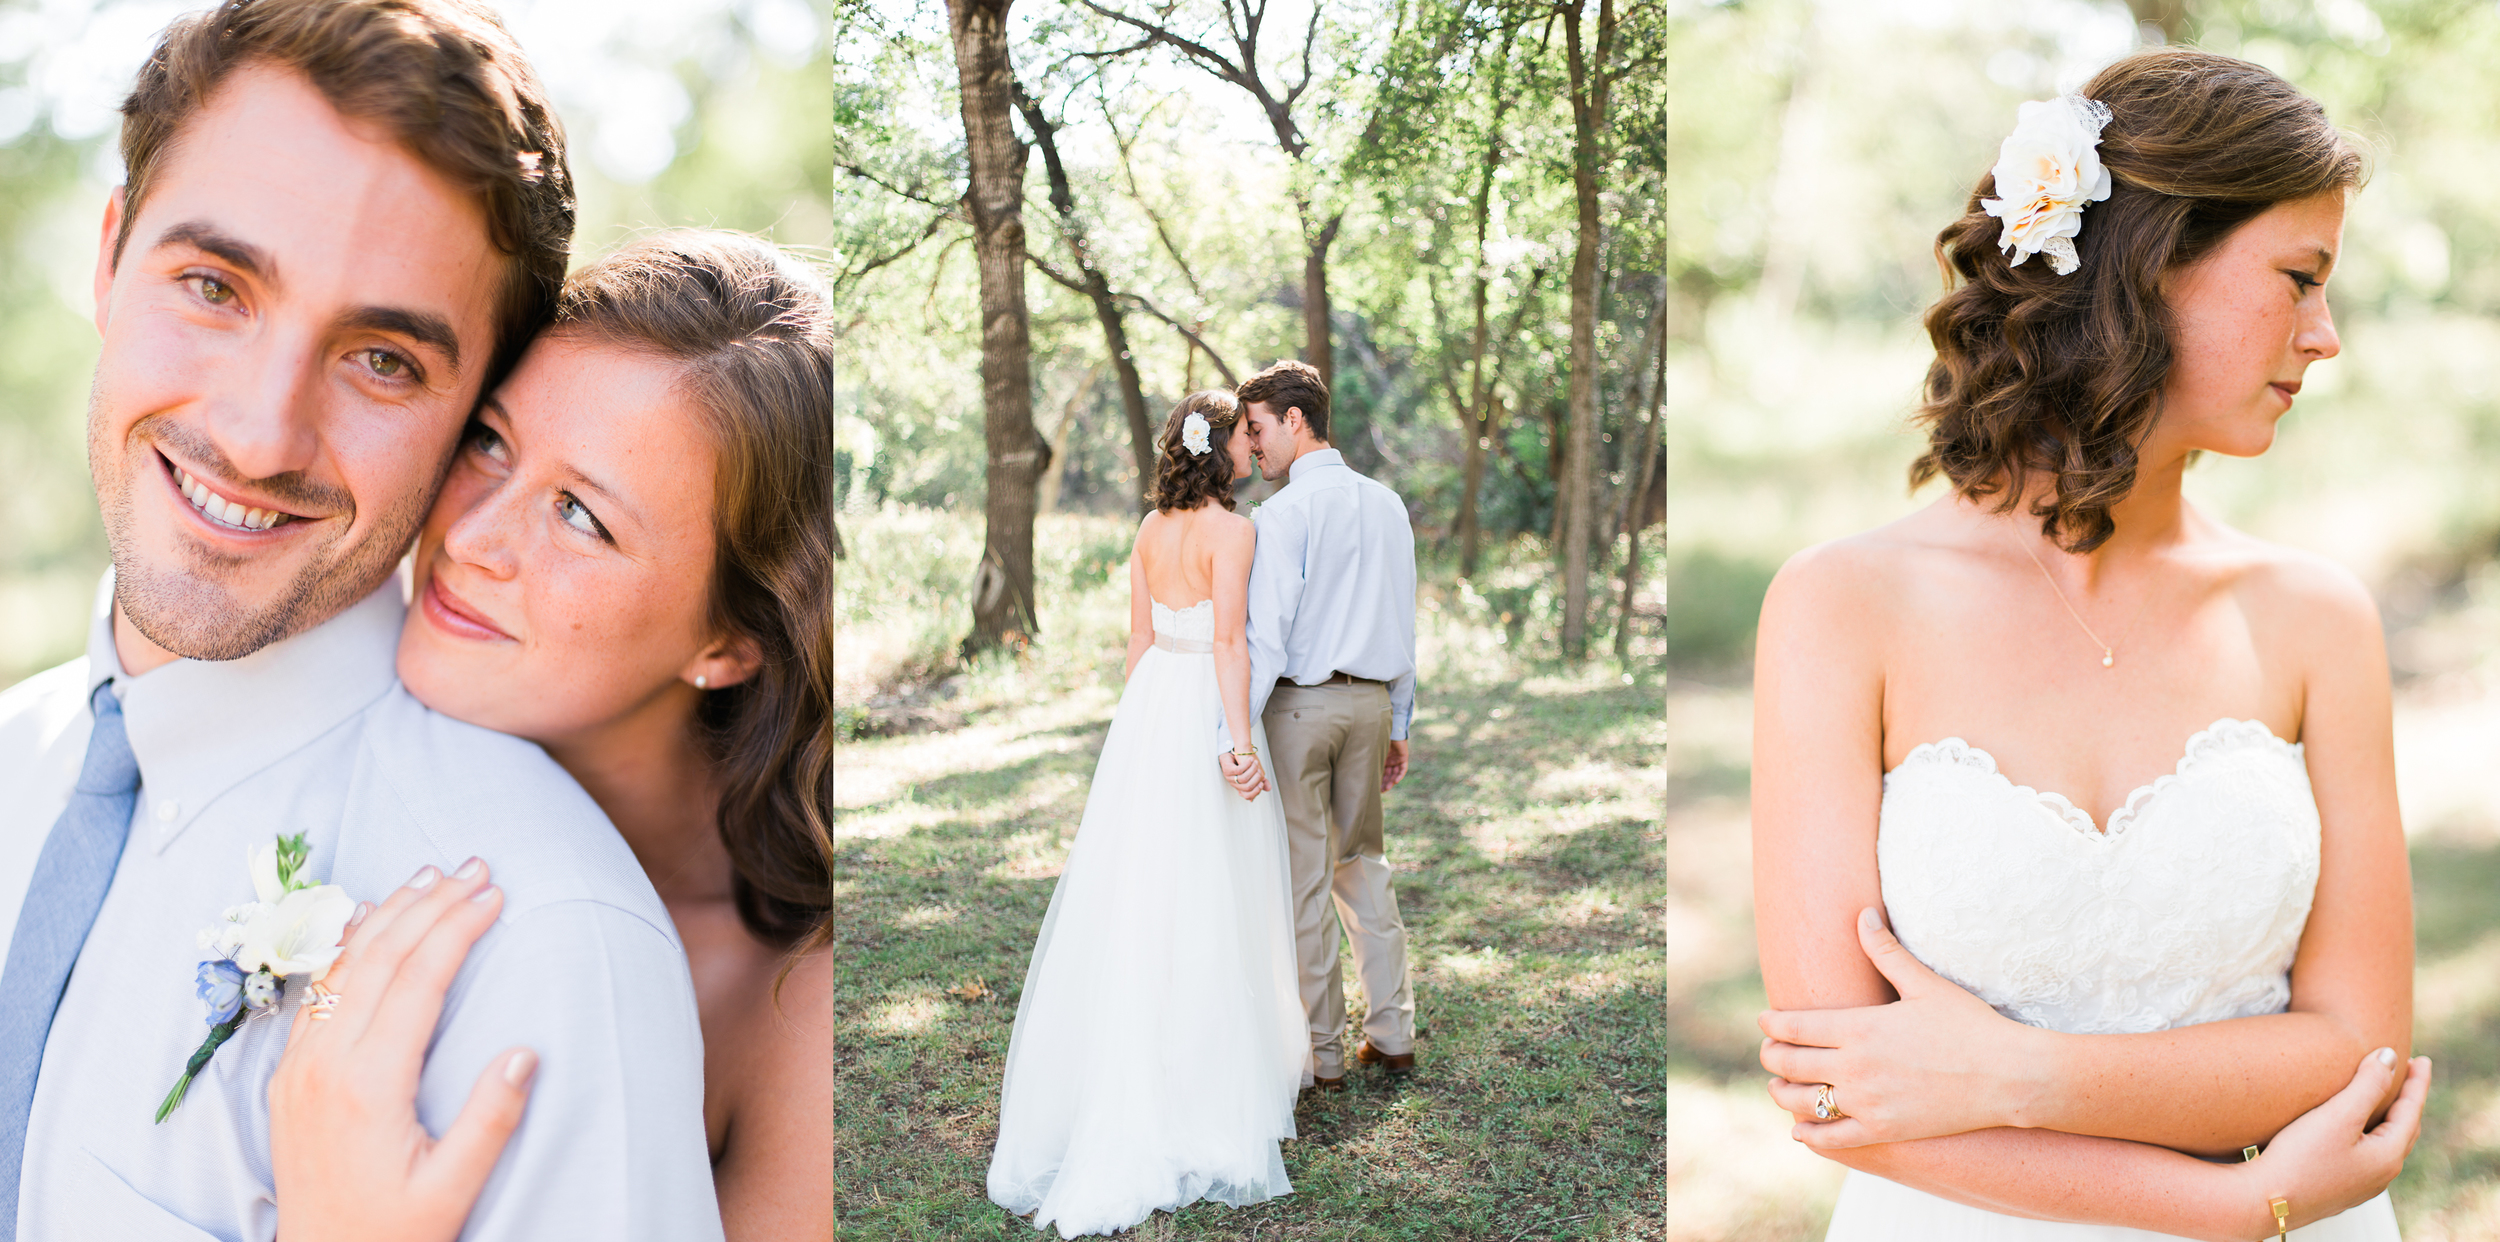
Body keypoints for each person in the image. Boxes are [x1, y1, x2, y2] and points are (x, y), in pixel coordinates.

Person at [0, 1, 721, 1238]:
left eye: (383, 359)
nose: (258, 434)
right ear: (111, 257)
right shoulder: (17, 758)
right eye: (214, 285)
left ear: (471, 415)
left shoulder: (546, 949)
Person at [1749, 49, 2427, 1240]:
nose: (2323, 337)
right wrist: (2226, 1202)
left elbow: (2359, 1044)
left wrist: (2020, 1076)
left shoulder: (2315, 618)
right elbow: (1830, 1082)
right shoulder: (1840, 607)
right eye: (2298, 277)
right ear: (2148, 267)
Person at [258, 231, 837, 1239]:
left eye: (579, 515)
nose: (472, 538)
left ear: (731, 638)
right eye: (490, 441)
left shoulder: (790, 1001)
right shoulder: (308, 705)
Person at [986, 389, 1307, 1238]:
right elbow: (1233, 644)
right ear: (1221, 449)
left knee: (1140, 892)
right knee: (1207, 892)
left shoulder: (1149, 530)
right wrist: (1237, 744)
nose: (1252, 445)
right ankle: (1195, 1090)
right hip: (1204, 703)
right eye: (1245, 434)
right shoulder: (1233, 533)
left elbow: (1138, 643)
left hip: (1150, 709)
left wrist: (1139, 736)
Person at [1222, 360, 1418, 1089]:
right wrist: (1399, 721)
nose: (1253, 447)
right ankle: (1393, 1032)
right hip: (1369, 706)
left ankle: (1322, 1054)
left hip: (1299, 710)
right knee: (1363, 866)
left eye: (1257, 428)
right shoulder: (1387, 503)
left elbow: (1266, 636)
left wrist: (1233, 731)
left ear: (1294, 419)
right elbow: (1405, 620)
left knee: (1306, 880)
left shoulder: (1284, 515)